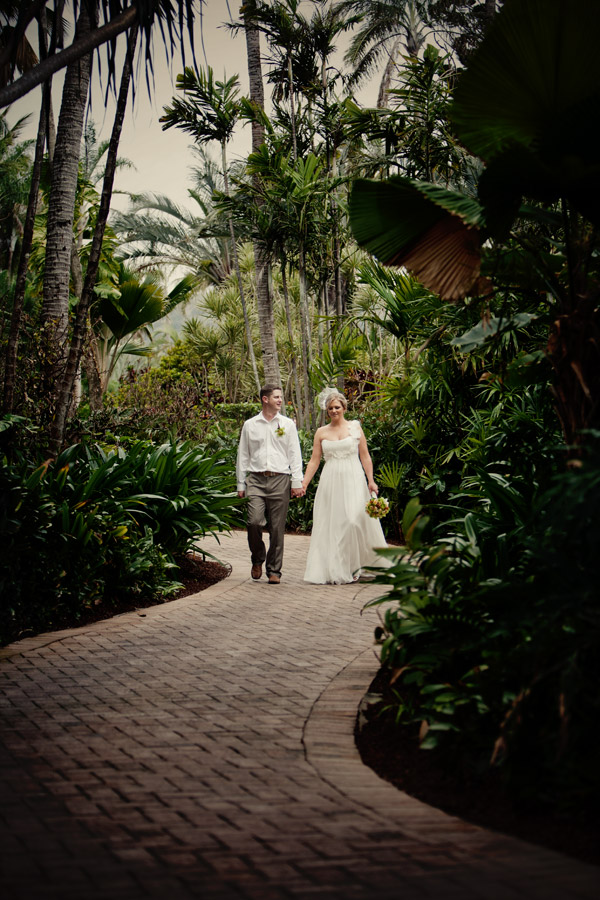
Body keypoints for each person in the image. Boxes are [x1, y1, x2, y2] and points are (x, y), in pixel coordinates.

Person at [302, 387, 390, 584]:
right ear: (327, 411)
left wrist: (371, 480)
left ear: (344, 407)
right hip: (330, 481)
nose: (334, 411)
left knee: (352, 521)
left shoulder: (355, 428)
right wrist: (304, 483)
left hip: (353, 479)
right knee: (334, 524)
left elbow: (365, 456)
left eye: (337, 407)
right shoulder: (321, 432)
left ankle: (357, 564)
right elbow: (314, 461)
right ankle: (340, 569)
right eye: (330, 408)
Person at [236, 385, 304, 585]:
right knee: (254, 522)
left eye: (280, 397)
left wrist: (296, 481)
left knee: (277, 528)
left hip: (280, 479)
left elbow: (294, 453)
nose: (280, 400)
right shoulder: (250, 425)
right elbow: (243, 454)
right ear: (265, 399)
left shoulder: (287, 424)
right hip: (255, 480)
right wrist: (241, 483)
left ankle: (274, 570)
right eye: (276, 397)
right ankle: (257, 558)